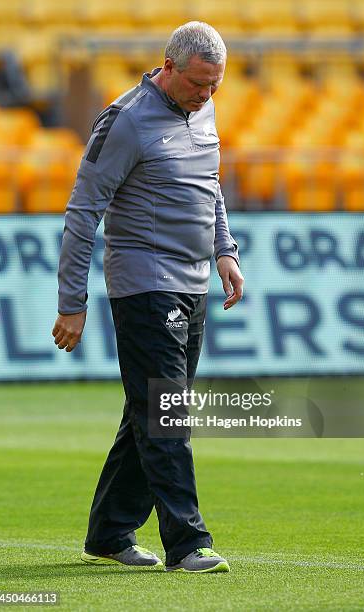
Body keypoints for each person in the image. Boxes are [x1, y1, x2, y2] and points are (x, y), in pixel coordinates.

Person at [52, 21, 244, 573]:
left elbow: (210, 185)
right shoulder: (127, 120)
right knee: (167, 411)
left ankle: (111, 531)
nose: (206, 96)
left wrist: (224, 250)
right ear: (169, 66)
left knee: (148, 410)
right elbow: (82, 211)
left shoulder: (204, 110)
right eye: (198, 85)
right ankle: (188, 542)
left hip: (193, 282)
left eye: (215, 86)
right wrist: (73, 302)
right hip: (144, 284)